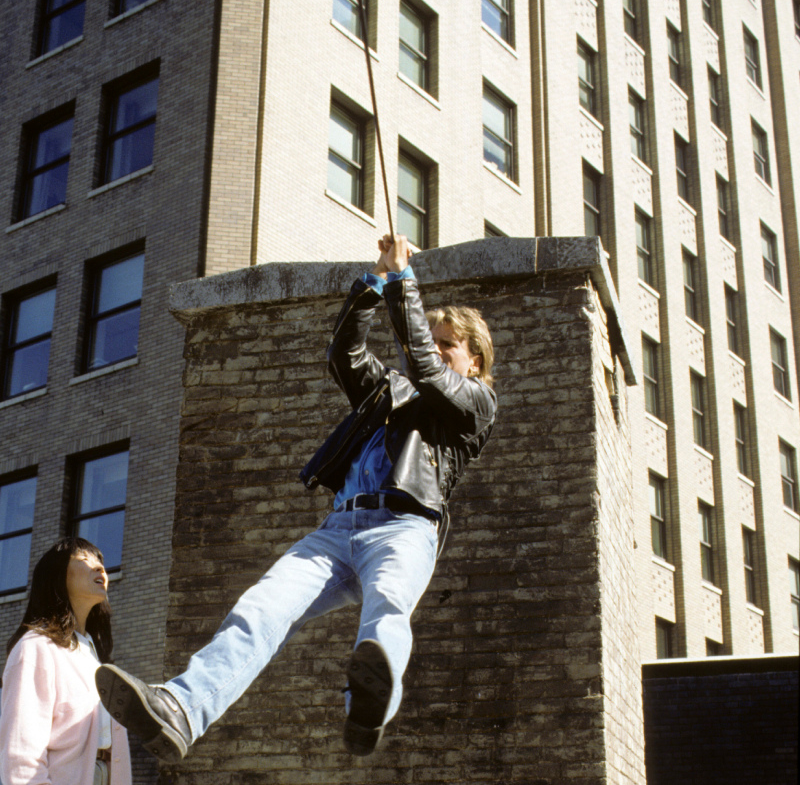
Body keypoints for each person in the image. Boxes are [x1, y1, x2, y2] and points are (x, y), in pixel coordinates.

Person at [96, 233, 497, 760]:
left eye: (450, 344)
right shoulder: (387, 391)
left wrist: (406, 279)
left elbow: (425, 365)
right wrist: (376, 281)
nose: (435, 348)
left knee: (386, 612)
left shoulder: (474, 404)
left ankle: (366, 709)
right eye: (434, 339)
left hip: (404, 528)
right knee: (258, 609)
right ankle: (181, 709)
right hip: (336, 532)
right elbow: (344, 353)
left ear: (473, 362)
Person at [0, 537, 132, 785]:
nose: (100, 568)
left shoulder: (94, 655)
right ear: (57, 576)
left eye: (101, 561)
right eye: (84, 559)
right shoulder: (35, 649)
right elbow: (20, 755)